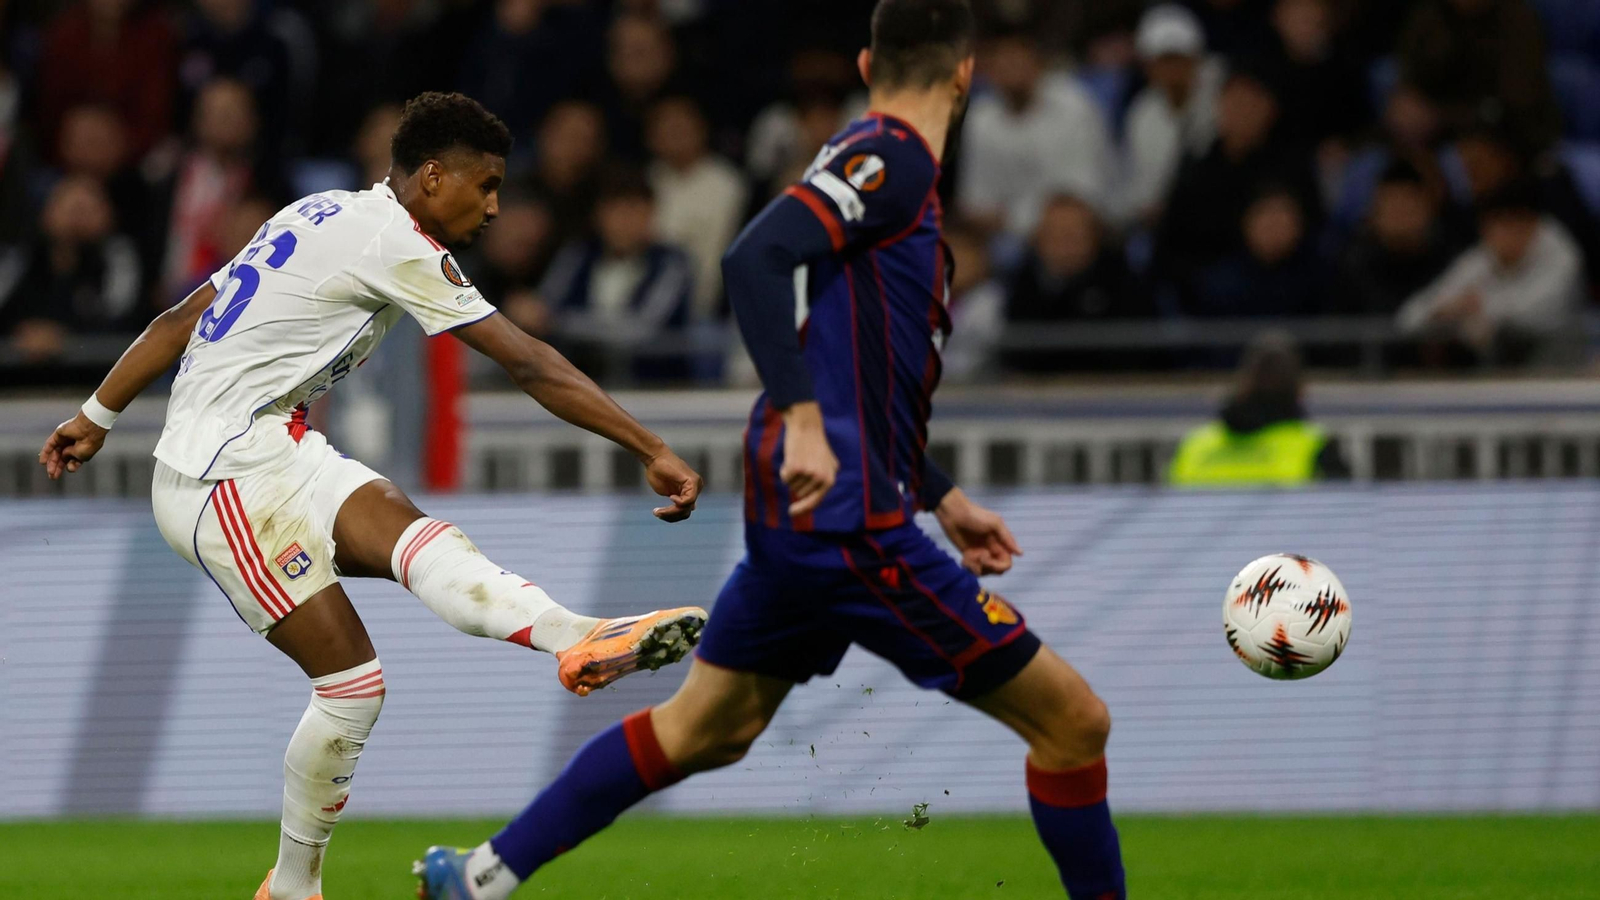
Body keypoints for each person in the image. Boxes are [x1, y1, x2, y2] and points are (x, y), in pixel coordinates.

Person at [414, 4, 1127, 899]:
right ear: (965, 76)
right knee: (1075, 724)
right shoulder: (892, 157)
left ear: (868, 62)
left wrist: (939, 494)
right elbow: (755, 258)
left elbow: (861, 370)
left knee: (706, 728)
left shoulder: (874, 165)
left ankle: (479, 877)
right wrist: (798, 416)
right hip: (846, 521)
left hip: (821, 508)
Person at [35, 93, 708, 900]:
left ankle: (577, 637)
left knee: (420, 538)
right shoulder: (398, 242)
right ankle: (291, 888)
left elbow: (184, 315)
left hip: (277, 444)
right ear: (432, 177)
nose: (494, 207)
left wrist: (96, 413)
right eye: (485, 185)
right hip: (216, 475)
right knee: (353, 686)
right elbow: (527, 364)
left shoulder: (320, 209)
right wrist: (652, 446)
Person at [1397, 182, 1586, 366]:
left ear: (1532, 223)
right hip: (1502, 375)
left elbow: (1537, 313)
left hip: (1563, 376)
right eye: (1496, 224)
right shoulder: (1481, 258)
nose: (1504, 234)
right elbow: (1408, 318)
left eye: (1513, 223)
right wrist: (1440, 312)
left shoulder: (1561, 254)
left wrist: (1481, 307)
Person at [959, 28, 1115, 236]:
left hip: (1076, 229)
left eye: (1017, 59)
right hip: (1007, 236)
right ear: (988, 69)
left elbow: (1084, 194)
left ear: (1038, 63)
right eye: (1001, 60)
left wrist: (1017, 219)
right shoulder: (980, 119)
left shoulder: (1075, 105)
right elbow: (976, 205)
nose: (1010, 67)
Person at [1169, 331, 1350, 486]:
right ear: (1300, 391)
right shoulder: (1315, 445)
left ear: (1241, 386)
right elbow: (1344, 511)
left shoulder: (1195, 445)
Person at [1116, 3, 1222, 230]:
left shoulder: (1223, 94)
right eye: (1163, 60)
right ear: (1148, 66)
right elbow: (1138, 186)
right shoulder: (1141, 114)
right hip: (1165, 226)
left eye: (1179, 59)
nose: (1172, 69)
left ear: (1196, 58)